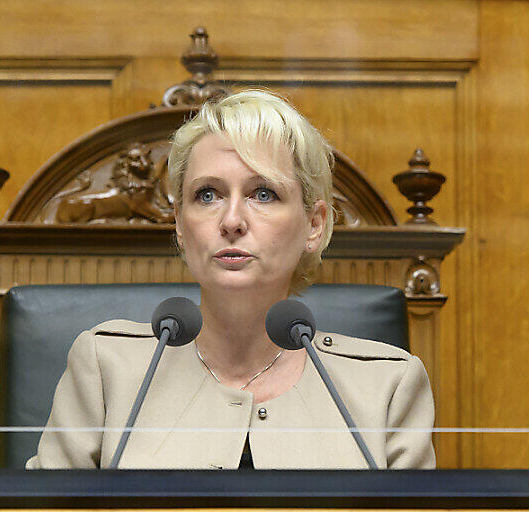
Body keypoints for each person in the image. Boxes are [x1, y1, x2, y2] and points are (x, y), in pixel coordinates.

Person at [27, 90, 436, 469]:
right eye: (208, 195)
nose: (232, 221)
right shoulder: (106, 368)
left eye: (263, 194)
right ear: (180, 227)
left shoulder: (387, 386)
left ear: (314, 224)